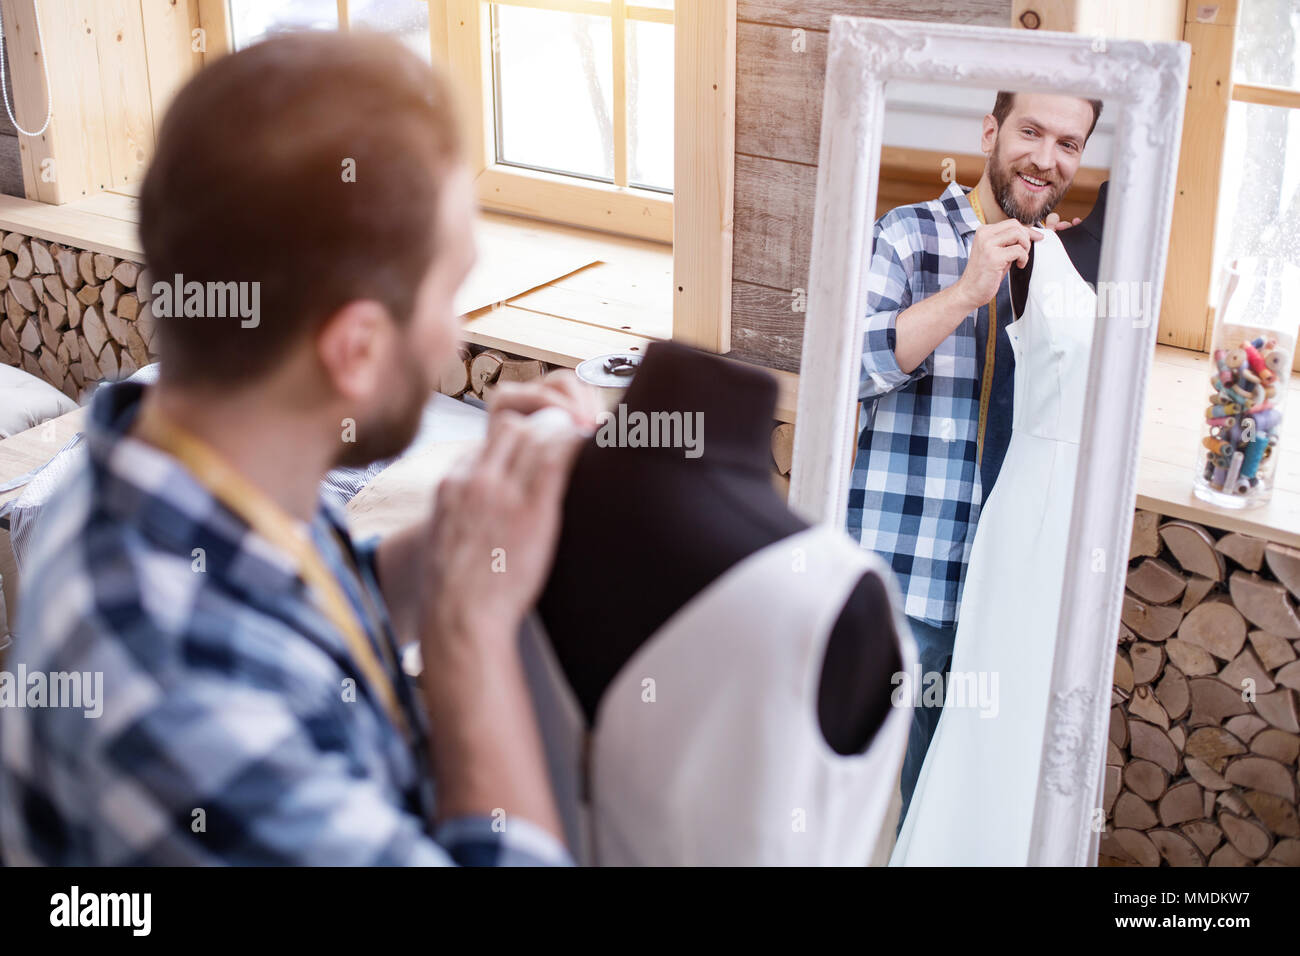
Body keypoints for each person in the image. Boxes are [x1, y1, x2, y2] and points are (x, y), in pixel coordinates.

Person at [0, 32, 599, 866]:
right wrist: (470, 635)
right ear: (353, 350)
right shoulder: (174, 700)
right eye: (451, 291)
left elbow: (292, 601)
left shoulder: (170, 454)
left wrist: (473, 519)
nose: (455, 338)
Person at [847, 91, 1102, 828]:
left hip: (1004, 598)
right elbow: (854, 369)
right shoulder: (906, 235)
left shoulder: (1067, 266)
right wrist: (965, 293)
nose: (1046, 158)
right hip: (903, 579)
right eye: (1029, 132)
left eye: (1068, 143)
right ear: (990, 132)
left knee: (943, 803)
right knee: (841, 791)